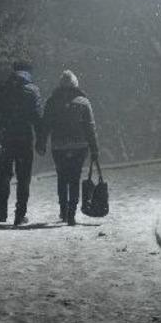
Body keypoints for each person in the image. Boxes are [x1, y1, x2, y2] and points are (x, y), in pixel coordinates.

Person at [0, 61, 43, 226]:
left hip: (5, 139)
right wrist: (41, 140)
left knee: (4, 176)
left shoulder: (2, 89)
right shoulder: (32, 91)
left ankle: (2, 214)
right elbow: (38, 119)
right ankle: (19, 215)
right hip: (24, 139)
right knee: (23, 178)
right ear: (28, 72)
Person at [37, 70, 99, 226]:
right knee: (75, 178)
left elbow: (45, 125)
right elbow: (90, 127)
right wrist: (94, 149)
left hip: (59, 146)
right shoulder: (83, 102)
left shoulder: (52, 101)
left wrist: (41, 142)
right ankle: (71, 213)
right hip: (80, 146)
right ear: (75, 84)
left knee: (62, 177)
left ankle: (63, 210)